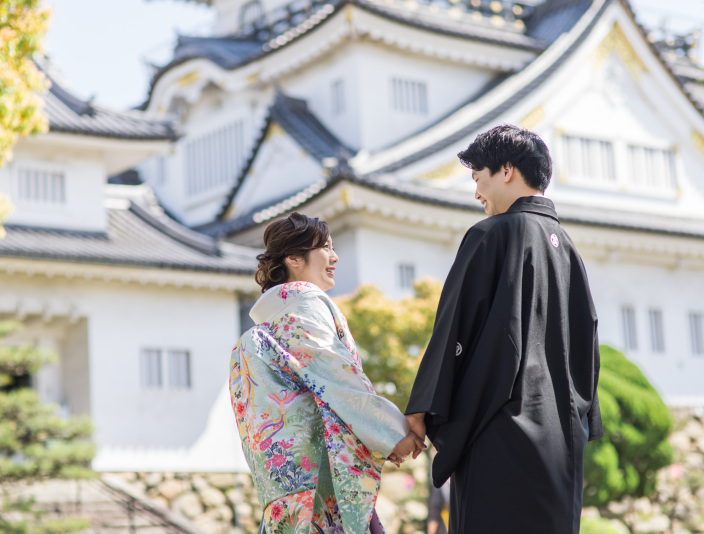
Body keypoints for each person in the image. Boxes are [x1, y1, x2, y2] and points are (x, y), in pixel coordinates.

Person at [404, 125, 603, 534]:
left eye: (479, 178)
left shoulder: (490, 235)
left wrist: (423, 405)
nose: (477, 193)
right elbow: (588, 348)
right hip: (562, 442)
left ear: (506, 171)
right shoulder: (567, 248)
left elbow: (456, 327)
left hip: (500, 430)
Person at [230, 212, 425, 534]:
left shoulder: (262, 330)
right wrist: (392, 433)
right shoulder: (304, 303)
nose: (334, 257)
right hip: (322, 473)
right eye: (325, 247)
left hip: (286, 482)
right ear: (293, 258)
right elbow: (335, 374)